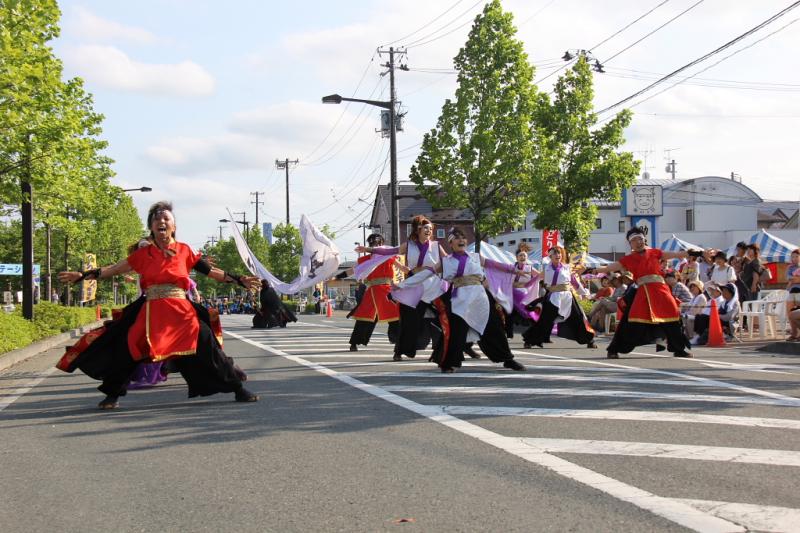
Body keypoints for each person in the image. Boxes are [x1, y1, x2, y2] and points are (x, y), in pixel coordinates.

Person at [56, 201, 260, 409]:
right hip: (151, 313)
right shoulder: (142, 255)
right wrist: (82, 275)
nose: (161, 221)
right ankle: (112, 395)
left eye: (166, 218)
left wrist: (239, 279)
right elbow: (114, 269)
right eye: (156, 219)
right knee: (129, 348)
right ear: (151, 227)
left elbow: (212, 272)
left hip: (183, 313)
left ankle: (238, 389)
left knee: (209, 347)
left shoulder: (184, 250)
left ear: (174, 226)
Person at [589, 227, 694, 358]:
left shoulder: (655, 252)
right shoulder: (628, 259)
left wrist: (689, 252)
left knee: (672, 319)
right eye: (634, 240)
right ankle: (614, 349)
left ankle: (678, 349)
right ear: (630, 244)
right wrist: (594, 270)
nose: (638, 242)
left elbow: (675, 254)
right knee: (632, 322)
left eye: (640, 239)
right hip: (644, 292)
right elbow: (610, 267)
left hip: (662, 291)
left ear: (644, 240)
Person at [431, 228, 525, 373]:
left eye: (463, 237)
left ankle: (507, 359)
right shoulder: (446, 261)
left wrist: (513, 270)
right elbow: (427, 272)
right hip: (460, 298)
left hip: (480, 296)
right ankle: (448, 363)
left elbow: (493, 264)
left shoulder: (475, 256)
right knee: (456, 330)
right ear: (450, 243)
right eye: (457, 238)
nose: (461, 240)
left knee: (495, 327)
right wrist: (407, 281)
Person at [356, 215, 448, 361]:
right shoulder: (409, 245)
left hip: (433, 285)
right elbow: (388, 252)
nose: (429, 231)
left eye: (431, 229)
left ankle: (444, 351)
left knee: (443, 318)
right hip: (413, 285)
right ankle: (399, 351)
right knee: (408, 321)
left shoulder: (436, 246)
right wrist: (368, 249)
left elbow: (448, 260)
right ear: (418, 230)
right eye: (426, 228)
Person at [522, 246, 596, 349]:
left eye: (559, 253)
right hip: (554, 297)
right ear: (550, 257)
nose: (558, 255)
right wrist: (526, 285)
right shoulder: (547, 269)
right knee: (545, 320)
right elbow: (536, 278)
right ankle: (529, 340)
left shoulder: (566, 268)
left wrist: (583, 293)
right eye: (555, 253)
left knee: (578, 318)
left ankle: (589, 340)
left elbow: (574, 281)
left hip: (568, 297)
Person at [338, 233, 400, 351]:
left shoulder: (389, 256)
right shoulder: (366, 260)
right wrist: (336, 277)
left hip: (387, 290)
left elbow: (402, 268)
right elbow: (351, 271)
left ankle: (397, 341)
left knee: (395, 315)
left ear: (382, 244)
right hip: (373, 291)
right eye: (373, 244)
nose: (376, 245)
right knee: (364, 317)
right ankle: (354, 342)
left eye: (378, 243)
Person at [505, 243, 542, 338]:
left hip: (525, 295)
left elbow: (540, 276)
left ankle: (534, 334)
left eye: (524, 255)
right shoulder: (512, 268)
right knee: (509, 313)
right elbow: (507, 281)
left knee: (530, 313)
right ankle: (509, 334)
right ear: (516, 258)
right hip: (513, 294)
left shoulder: (530, 268)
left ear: (527, 257)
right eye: (520, 255)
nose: (522, 257)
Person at [785, 249, 800, 340]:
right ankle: (794, 333)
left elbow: (793, 279)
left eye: (796, 256)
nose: (794, 258)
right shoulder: (790, 267)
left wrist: (793, 280)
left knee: (797, 313)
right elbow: (788, 278)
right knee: (790, 313)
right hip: (791, 291)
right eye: (792, 257)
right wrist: (796, 278)